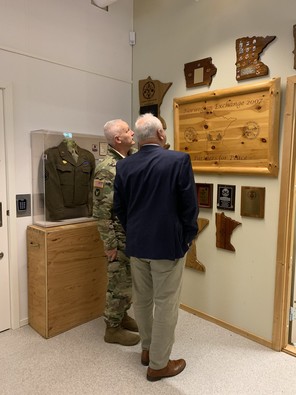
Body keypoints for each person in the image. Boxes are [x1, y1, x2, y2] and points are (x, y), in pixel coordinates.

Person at [113, 113, 199, 381]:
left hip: (138, 245)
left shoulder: (125, 166)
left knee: (143, 300)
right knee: (165, 304)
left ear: (137, 140)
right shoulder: (178, 160)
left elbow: (120, 208)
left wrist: (135, 232)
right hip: (168, 246)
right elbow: (189, 207)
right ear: (161, 135)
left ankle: (148, 350)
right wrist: (188, 237)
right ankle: (159, 365)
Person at [92, 119, 140, 346]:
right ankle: (112, 328)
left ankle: (122, 315)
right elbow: (101, 212)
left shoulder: (129, 160)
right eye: (128, 130)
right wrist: (110, 244)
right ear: (118, 139)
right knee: (118, 282)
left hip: (131, 233)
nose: (133, 132)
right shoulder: (107, 168)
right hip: (118, 236)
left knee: (128, 281)